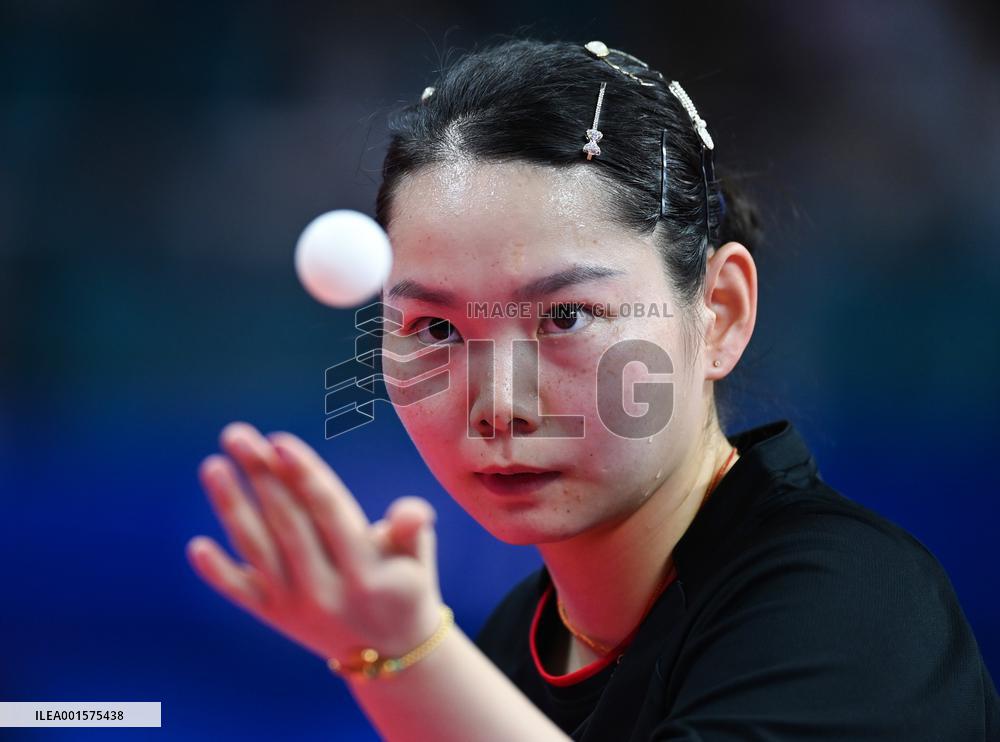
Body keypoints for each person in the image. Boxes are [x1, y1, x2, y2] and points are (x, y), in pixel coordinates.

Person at [185, 36, 1000, 741]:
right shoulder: (515, 644)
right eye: (436, 330)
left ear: (719, 313)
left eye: (566, 314)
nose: (497, 403)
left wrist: (400, 661)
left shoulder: (851, 605)